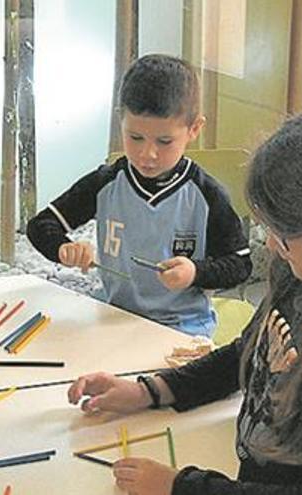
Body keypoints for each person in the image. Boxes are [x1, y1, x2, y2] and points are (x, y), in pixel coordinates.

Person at [67, 104, 302, 494]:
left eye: (286, 233)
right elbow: (249, 353)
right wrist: (151, 390)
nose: (273, 246)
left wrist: (184, 488)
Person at [26, 54, 251, 336]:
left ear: (194, 129)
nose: (148, 154)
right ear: (120, 121)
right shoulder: (106, 181)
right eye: (135, 138)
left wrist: (195, 272)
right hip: (112, 316)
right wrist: (63, 248)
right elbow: (40, 226)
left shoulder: (206, 195)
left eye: (164, 141)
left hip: (182, 325)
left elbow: (240, 264)